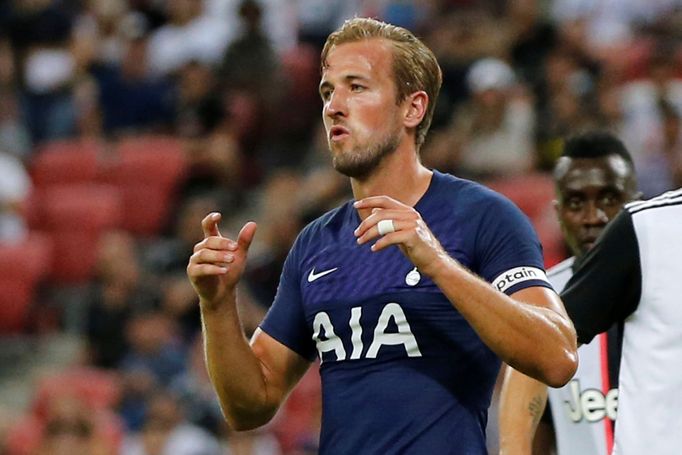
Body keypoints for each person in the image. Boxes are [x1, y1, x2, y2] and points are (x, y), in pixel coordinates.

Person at [187, 17, 578, 453]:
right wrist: (218, 305)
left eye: (356, 87)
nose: (334, 105)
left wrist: (437, 263)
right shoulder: (316, 244)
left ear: (412, 108)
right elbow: (250, 406)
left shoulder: (482, 216)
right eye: (327, 91)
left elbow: (557, 356)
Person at [498, 131, 640, 455]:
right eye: (577, 203)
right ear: (559, 214)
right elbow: (533, 432)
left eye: (609, 199)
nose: (594, 218)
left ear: (637, 204)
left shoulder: (669, 284)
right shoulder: (539, 302)